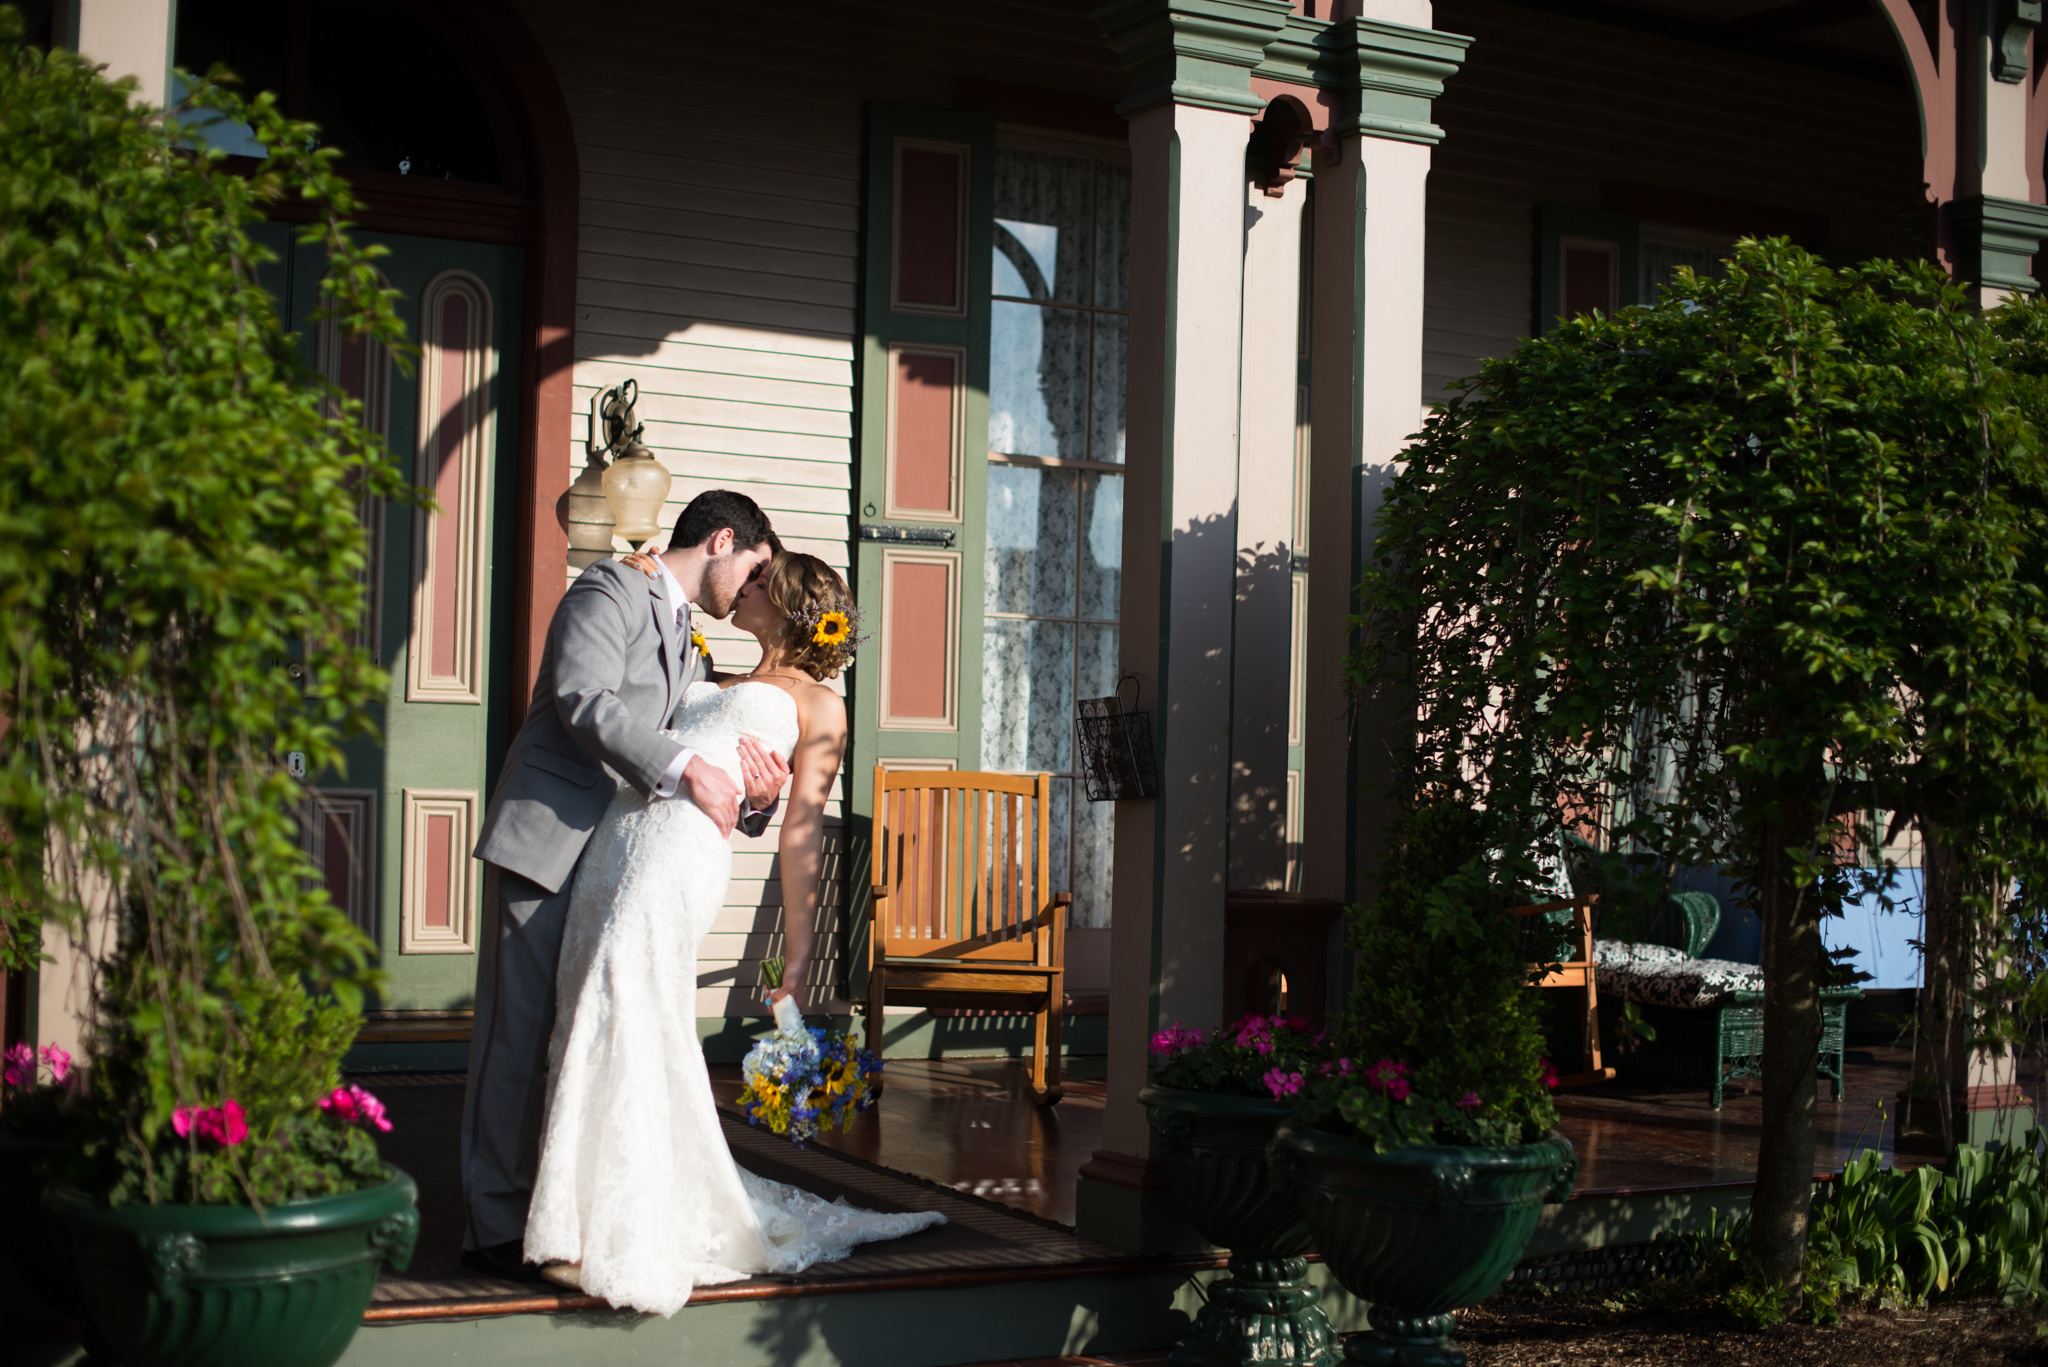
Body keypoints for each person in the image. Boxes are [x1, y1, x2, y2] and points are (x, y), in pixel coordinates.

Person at [524, 551, 943, 1314]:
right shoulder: (702, 674)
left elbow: (801, 832)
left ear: (784, 604)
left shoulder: (822, 706)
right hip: (615, 842)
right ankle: (573, 1210)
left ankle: (610, 1228)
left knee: (631, 988)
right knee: (591, 998)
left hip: (680, 857)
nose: (741, 589)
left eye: (757, 584)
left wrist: (801, 951)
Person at [460, 490, 792, 1281]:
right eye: (754, 566)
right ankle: (489, 1227)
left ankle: (555, 1209)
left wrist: (758, 798)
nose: (753, 587)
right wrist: (689, 769)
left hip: (611, 855)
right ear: (722, 540)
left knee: (577, 1037)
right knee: (514, 1035)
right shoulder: (608, 589)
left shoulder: (685, 637)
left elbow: (693, 739)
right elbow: (583, 699)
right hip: (547, 834)